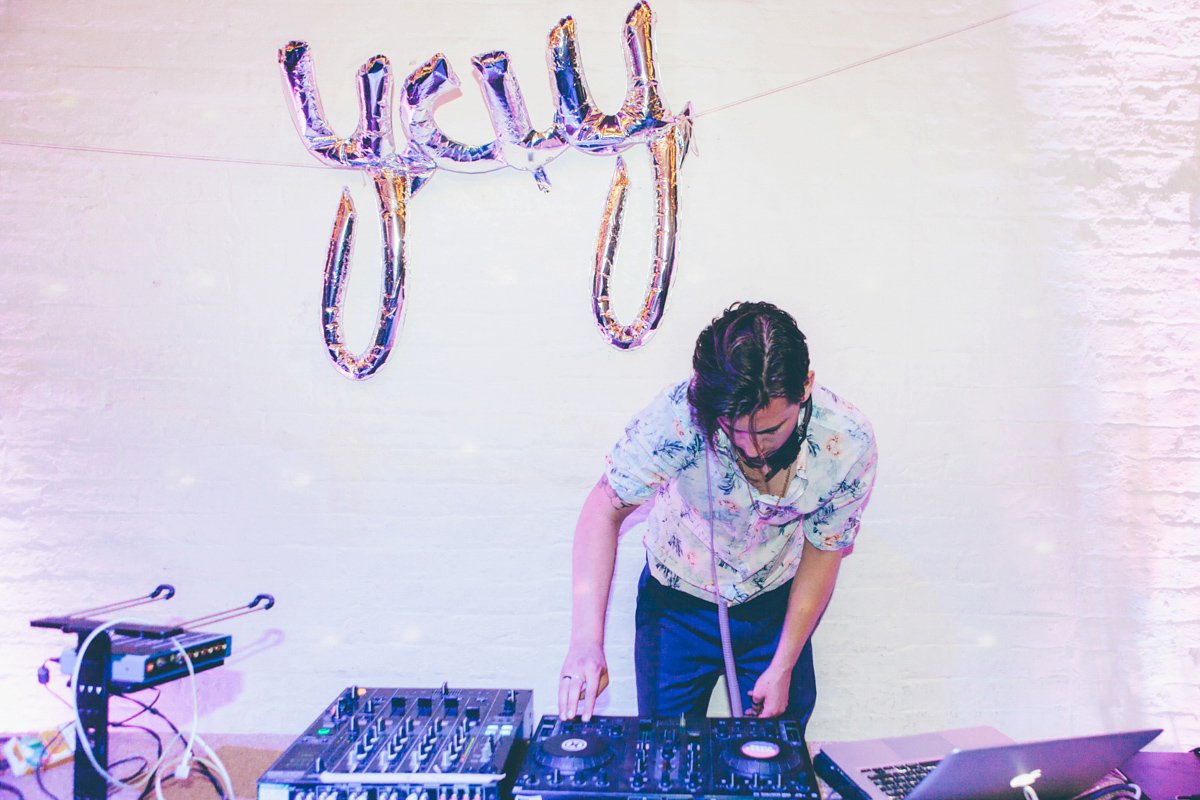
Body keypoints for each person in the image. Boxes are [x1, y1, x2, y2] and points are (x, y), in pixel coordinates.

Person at [558, 301, 877, 724]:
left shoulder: (847, 442)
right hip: (675, 607)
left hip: (776, 607)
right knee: (663, 759)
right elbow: (603, 510)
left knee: (776, 765)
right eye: (734, 430)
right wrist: (585, 641)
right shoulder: (680, 416)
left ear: (805, 387)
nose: (752, 449)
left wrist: (783, 664)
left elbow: (824, 548)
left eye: (769, 430)